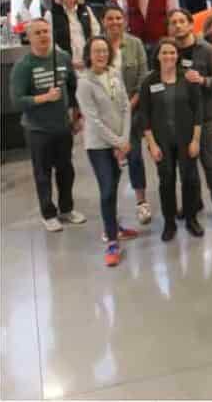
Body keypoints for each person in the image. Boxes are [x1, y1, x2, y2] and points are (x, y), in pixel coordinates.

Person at [10, 19, 85, 232]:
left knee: (66, 170)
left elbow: (72, 86)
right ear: (29, 37)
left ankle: (67, 209)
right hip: (37, 129)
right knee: (43, 173)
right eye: (38, 33)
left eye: (45, 31)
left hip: (62, 126)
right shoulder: (23, 66)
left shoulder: (62, 58)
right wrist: (44, 98)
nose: (43, 36)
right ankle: (48, 213)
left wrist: (76, 113)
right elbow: (17, 101)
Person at [167, 9, 212, 232]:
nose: (177, 26)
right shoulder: (168, 52)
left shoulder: (205, 50)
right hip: (179, 120)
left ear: (191, 24)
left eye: (181, 21)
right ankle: (192, 204)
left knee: (211, 164)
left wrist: (203, 80)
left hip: (205, 117)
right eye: (173, 22)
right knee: (186, 168)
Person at [76, 36, 137, 264]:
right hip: (99, 145)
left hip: (119, 141)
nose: (101, 55)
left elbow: (125, 107)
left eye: (104, 51)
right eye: (96, 51)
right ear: (89, 55)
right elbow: (93, 120)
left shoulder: (113, 74)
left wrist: (124, 138)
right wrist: (118, 142)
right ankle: (112, 240)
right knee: (107, 189)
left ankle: (114, 225)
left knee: (115, 183)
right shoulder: (84, 82)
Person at [138, 37, 203, 240]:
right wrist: (152, 144)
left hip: (186, 139)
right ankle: (169, 223)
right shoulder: (149, 82)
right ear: (157, 56)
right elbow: (144, 115)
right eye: (164, 52)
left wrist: (195, 140)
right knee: (166, 181)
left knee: (190, 179)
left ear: (177, 56)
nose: (169, 56)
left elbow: (198, 111)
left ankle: (191, 218)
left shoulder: (188, 79)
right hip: (161, 142)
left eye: (172, 52)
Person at [101, 4, 152, 225]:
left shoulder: (135, 44)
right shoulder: (96, 45)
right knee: (108, 163)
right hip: (105, 115)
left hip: (131, 112)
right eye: (110, 19)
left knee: (135, 157)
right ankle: (111, 212)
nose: (114, 22)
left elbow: (143, 79)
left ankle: (141, 203)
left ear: (124, 20)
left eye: (118, 18)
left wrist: (129, 107)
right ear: (103, 21)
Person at [46, 0, 100, 71]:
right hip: (65, 65)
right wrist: (68, 61)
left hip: (88, 63)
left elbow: (96, 32)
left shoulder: (86, 10)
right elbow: (49, 41)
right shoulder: (51, 14)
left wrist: (90, 56)